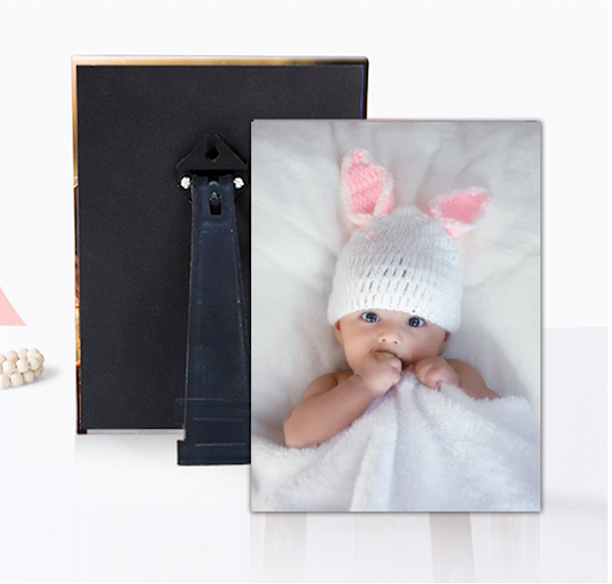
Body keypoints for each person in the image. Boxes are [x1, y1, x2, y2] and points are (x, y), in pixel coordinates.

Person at [284, 149, 499, 449]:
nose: (390, 335)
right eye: (370, 317)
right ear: (339, 330)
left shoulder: (459, 372)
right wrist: (362, 386)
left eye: (414, 321)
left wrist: (452, 388)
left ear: (444, 339)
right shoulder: (336, 384)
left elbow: (499, 421)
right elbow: (297, 437)